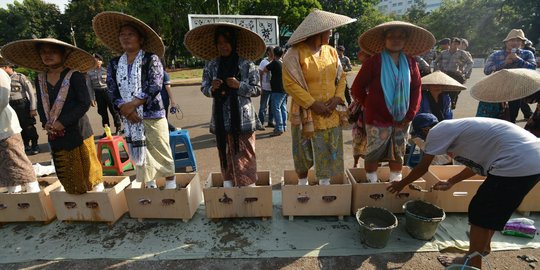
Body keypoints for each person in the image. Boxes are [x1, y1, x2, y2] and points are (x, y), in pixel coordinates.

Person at [388, 113, 540, 269]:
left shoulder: (437, 131)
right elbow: (476, 165)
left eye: (421, 137)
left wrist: (401, 184)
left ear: (426, 130)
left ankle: (472, 263)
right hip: (533, 159)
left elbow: (422, 167)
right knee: (495, 210)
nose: (424, 142)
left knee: (480, 210)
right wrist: (451, 181)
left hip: (516, 161)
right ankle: (483, 248)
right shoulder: (457, 131)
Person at [1, 38, 103, 194]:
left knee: (89, 170)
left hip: (78, 130)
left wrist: (63, 122)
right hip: (55, 133)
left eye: (53, 52)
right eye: (43, 52)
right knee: (66, 170)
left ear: (64, 54)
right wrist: (45, 123)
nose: (47, 55)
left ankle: (98, 199)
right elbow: (42, 105)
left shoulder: (74, 75)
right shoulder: (40, 78)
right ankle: (75, 206)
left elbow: (84, 103)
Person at [94, 11, 177, 189]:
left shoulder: (151, 59)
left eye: (130, 34)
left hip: (152, 113)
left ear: (140, 38)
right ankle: (151, 185)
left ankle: (171, 186)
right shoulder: (115, 63)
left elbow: (155, 84)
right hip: (129, 116)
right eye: (122, 34)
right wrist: (124, 108)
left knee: (161, 150)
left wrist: (132, 105)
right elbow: (111, 88)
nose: (126, 37)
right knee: (142, 155)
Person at [185, 22, 264, 187]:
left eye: (226, 42)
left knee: (246, 153)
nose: (223, 46)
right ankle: (228, 188)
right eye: (219, 43)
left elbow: (257, 90)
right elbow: (204, 88)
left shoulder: (247, 64)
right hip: (221, 119)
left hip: (243, 119)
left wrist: (239, 85)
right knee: (225, 153)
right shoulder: (211, 65)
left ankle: (249, 191)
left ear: (233, 43)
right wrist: (212, 88)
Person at [353, 21, 432, 183]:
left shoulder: (411, 63)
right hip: (377, 118)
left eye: (400, 37)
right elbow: (356, 88)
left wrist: (411, 113)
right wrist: (370, 104)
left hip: (403, 117)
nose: (396, 40)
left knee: (398, 151)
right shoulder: (374, 62)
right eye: (391, 36)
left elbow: (416, 89)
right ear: (384, 40)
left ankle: (395, 182)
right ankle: (372, 184)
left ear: (405, 41)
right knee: (374, 152)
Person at [283, 10, 354, 186]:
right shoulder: (294, 53)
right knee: (302, 151)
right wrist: (313, 104)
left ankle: (324, 185)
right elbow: (290, 84)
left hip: (330, 112)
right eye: (328, 31)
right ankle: (303, 185)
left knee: (328, 149)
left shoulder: (331, 52)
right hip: (305, 112)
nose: (330, 34)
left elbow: (342, 76)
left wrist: (338, 98)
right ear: (318, 32)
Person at [479, 29, 537, 122]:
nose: (515, 43)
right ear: (506, 42)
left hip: (517, 89)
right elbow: (487, 70)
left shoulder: (527, 54)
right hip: (498, 89)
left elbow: (533, 68)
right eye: (512, 40)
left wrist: (518, 59)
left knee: (511, 117)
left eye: (518, 41)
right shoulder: (496, 55)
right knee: (495, 117)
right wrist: (504, 62)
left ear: (522, 43)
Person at [0, 68, 40, 193]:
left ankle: (34, 192)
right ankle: (14, 192)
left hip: (5, 123)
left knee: (17, 158)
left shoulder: (1, 74)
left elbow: (2, 100)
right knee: (5, 164)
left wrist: (33, 108)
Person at [0, 56, 40, 155]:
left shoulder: (19, 77)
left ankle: (35, 144)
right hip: (11, 106)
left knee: (28, 126)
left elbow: (31, 93)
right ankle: (26, 145)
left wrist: (33, 108)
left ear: (6, 67)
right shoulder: (3, 78)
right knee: (18, 127)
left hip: (22, 105)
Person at [434, 37, 473, 109]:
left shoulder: (462, 53)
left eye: (457, 44)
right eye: (454, 44)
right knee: (443, 93)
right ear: (450, 44)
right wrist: (437, 70)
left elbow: (470, 63)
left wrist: (464, 72)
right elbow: (435, 62)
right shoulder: (443, 53)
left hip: (456, 76)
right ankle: (445, 106)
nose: (455, 46)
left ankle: (451, 105)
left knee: (453, 93)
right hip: (444, 76)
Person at [88, 53, 122, 136]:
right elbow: (89, 87)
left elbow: (113, 83)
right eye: (95, 60)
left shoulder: (106, 70)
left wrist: (115, 95)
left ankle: (118, 127)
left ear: (101, 62)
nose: (97, 62)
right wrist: (92, 99)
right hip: (98, 93)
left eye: (98, 60)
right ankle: (107, 130)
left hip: (108, 92)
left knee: (114, 111)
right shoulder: (89, 73)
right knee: (103, 113)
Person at [265, 46, 287, 136]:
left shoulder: (274, 63)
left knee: (276, 108)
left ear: (274, 54)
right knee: (282, 108)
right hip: (284, 88)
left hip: (277, 89)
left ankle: (279, 128)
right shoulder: (283, 63)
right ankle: (283, 126)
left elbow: (265, 69)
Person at [258, 46, 274, 129]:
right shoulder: (264, 62)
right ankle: (260, 123)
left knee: (272, 106)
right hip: (265, 87)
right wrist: (260, 86)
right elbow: (260, 74)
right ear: (268, 52)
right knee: (263, 106)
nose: (272, 53)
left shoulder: (275, 61)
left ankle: (270, 122)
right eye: (271, 51)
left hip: (273, 88)